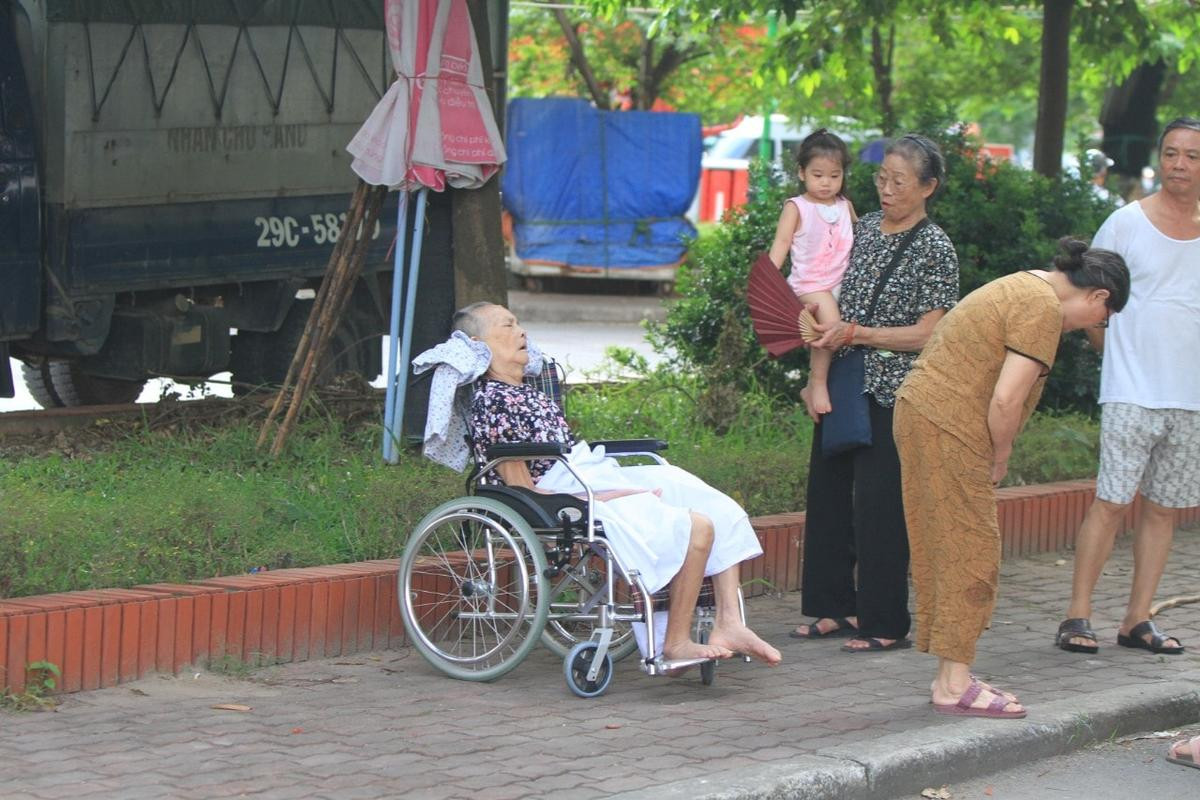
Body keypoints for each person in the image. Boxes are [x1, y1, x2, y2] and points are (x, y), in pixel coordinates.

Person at [457, 301, 782, 667]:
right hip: (566, 489)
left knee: (708, 502)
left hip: (587, 470)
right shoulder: (494, 401)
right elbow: (528, 490)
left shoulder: (530, 392)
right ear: (478, 344)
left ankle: (729, 621)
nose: (522, 331)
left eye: (518, 322)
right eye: (507, 325)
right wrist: (613, 493)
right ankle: (673, 643)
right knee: (695, 527)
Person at [896, 239, 1130, 718]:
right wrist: (1000, 454)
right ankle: (953, 682)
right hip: (950, 424)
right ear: (1099, 298)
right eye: (1102, 321)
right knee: (973, 550)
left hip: (922, 411)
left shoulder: (1027, 284)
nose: (1094, 330)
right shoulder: (1041, 308)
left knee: (945, 545)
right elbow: (1006, 399)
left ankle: (951, 673)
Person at [790, 134, 959, 652]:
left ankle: (884, 622)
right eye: (881, 178)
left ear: (928, 187)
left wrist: (859, 334)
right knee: (829, 495)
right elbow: (821, 285)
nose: (885, 189)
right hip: (842, 379)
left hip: (894, 391)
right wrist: (811, 326)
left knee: (881, 507)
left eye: (899, 182)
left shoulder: (935, 247)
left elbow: (932, 332)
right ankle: (832, 607)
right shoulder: (857, 228)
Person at [1058, 117, 1200, 656]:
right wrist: (1113, 357)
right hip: (1131, 390)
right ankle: (1077, 615)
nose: (1179, 164)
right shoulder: (1124, 223)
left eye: (1191, 155)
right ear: (1159, 158)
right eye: (1171, 153)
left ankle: (1137, 620)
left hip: (1190, 397)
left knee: (1164, 510)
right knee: (1111, 501)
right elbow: (1086, 300)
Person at [767, 129, 857, 415]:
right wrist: (768, 280)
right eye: (818, 175)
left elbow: (865, 236)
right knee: (831, 322)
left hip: (843, 282)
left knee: (845, 336)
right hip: (810, 284)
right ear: (802, 172)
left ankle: (838, 386)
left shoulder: (845, 206)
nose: (827, 183)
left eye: (834, 175)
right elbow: (781, 244)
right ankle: (815, 383)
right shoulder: (798, 207)